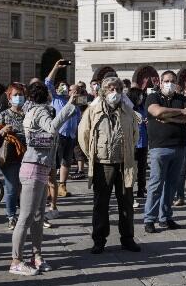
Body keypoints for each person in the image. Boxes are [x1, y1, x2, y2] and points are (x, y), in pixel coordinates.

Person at [9, 81, 77, 275]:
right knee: (26, 217)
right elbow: (52, 129)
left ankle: (36, 256)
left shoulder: (32, 110)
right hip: (33, 168)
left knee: (38, 217)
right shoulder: (40, 111)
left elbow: (43, 139)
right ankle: (16, 261)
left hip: (39, 167)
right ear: (46, 96)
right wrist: (69, 106)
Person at [78, 77, 141, 254]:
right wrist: (93, 154)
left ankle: (127, 238)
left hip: (124, 163)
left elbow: (135, 134)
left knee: (126, 202)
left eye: (118, 89)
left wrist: (127, 150)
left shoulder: (128, 111)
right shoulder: (93, 110)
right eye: (110, 89)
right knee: (101, 204)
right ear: (103, 92)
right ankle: (99, 240)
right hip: (102, 163)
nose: (114, 92)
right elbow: (83, 134)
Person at [143, 70, 186, 233]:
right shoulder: (153, 97)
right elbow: (157, 111)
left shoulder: (181, 98)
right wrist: (180, 113)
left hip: (179, 146)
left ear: (177, 82)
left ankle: (165, 217)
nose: (169, 83)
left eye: (172, 80)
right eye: (166, 80)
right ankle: (150, 219)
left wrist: (169, 118)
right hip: (160, 146)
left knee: (171, 185)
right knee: (156, 184)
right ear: (160, 81)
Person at [45, 60, 82, 205]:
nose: (72, 91)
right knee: (54, 162)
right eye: (68, 88)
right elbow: (48, 82)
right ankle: (50, 188)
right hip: (58, 135)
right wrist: (55, 67)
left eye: (75, 90)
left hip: (71, 136)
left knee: (66, 161)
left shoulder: (76, 105)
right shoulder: (57, 99)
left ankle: (62, 186)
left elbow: (78, 120)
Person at [0, 83, 28, 230]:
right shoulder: (3, 115)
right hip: (9, 157)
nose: (18, 97)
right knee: (12, 188)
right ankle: (11, 216)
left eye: (21, 94)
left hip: (28, 156)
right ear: (9, 97)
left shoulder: (29, 114)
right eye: (15, 95)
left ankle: (25, 214)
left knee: (26, 188)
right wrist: (2, 132)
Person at [127, 87, 149, 204]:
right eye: (139, 96)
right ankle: (129, 191)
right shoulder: (128, 110)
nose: (141, 98)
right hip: (132, 143)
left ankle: (141, 188)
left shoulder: (143, 108)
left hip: (143, 142)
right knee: (132, 170)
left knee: (142, 168)